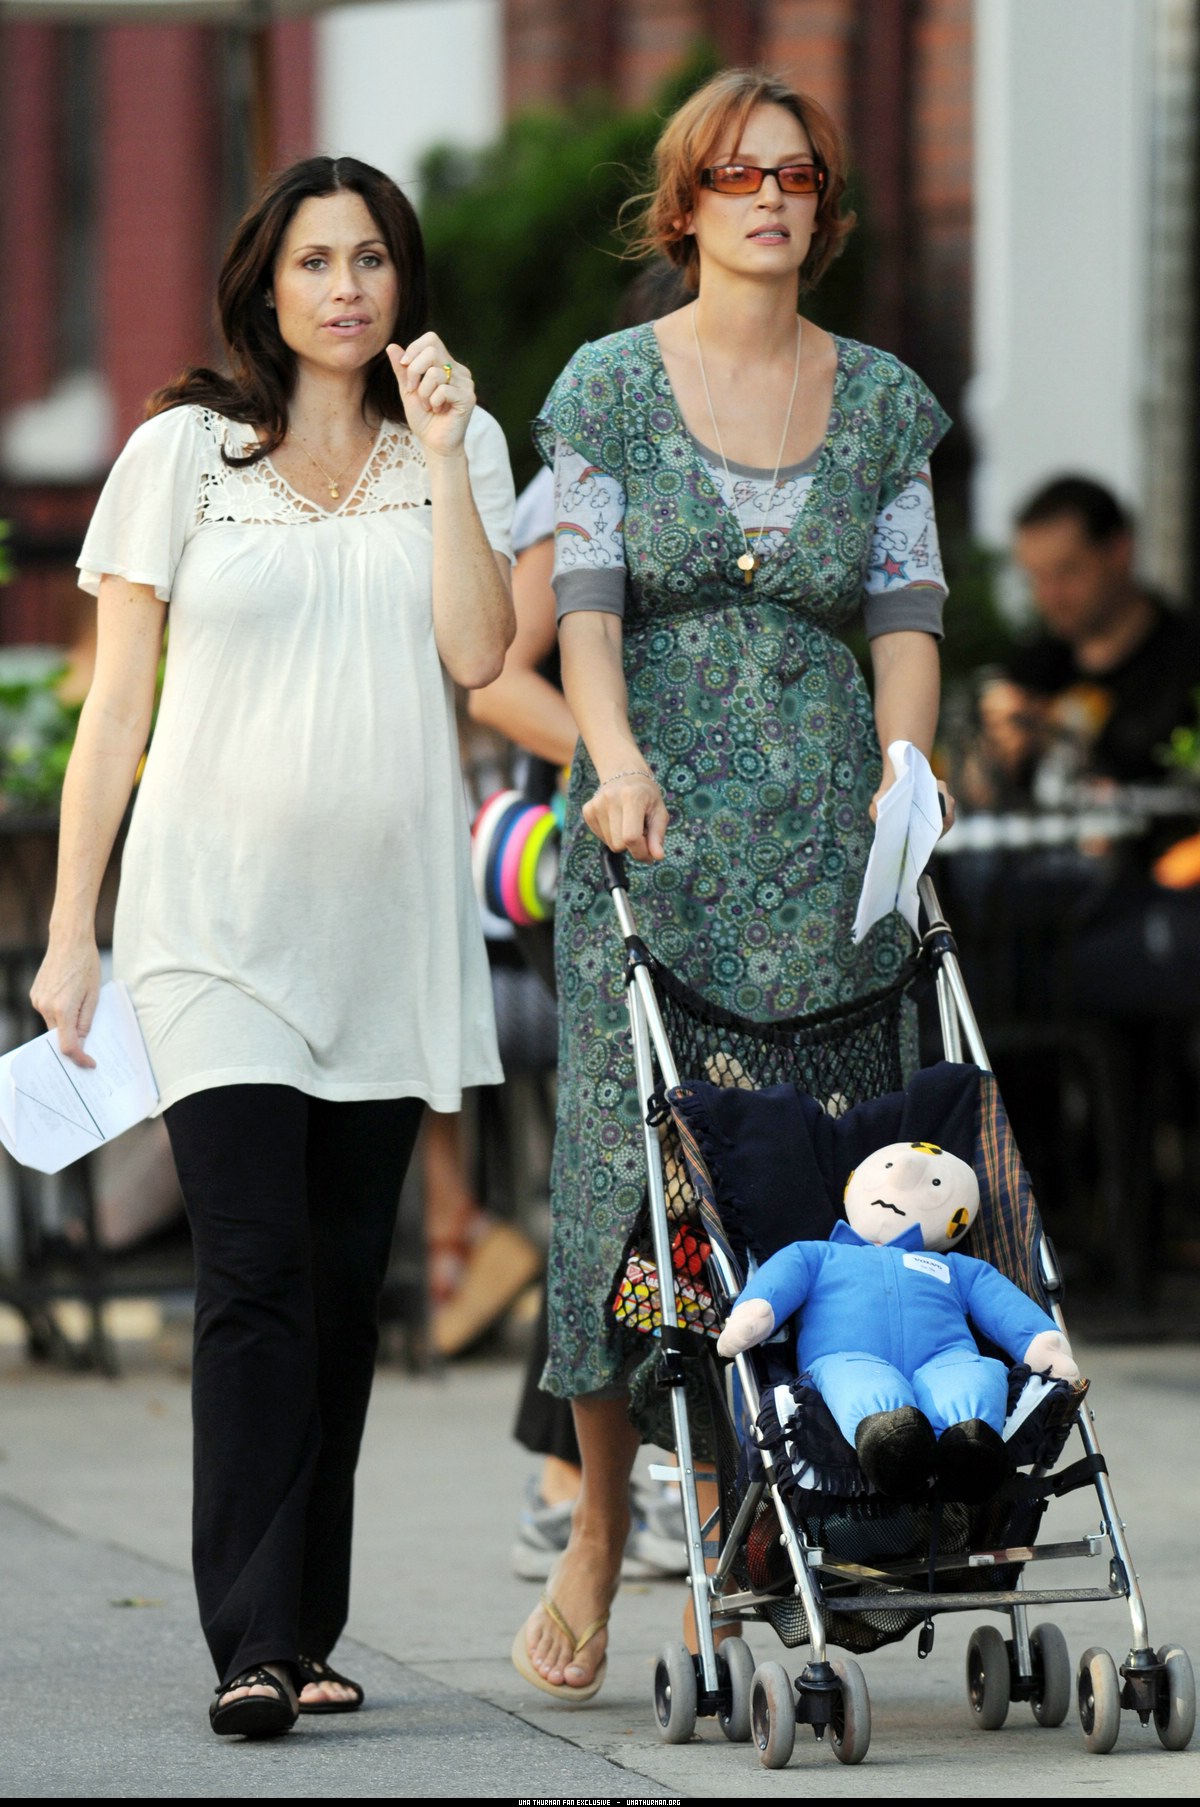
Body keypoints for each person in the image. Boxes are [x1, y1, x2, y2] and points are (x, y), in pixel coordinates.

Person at [31, 155, 515, 1737]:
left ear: (402, 282)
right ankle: (249, 1640)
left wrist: (442, 456)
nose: (346, 288)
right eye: (315, 260)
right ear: (265, 281)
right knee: (251, 1273)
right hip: (210, 925)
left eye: (371, 259)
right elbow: (116, 708)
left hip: (384, 931)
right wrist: (73, 928)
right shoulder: (180, 454)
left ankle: (306, 1624)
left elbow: (478, 651)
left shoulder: (458, 441)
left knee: (341, 1282)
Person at [513, 68, 954, 1700]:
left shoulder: (886, 400)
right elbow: (587, 610)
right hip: (658, 847)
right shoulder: (609, 386)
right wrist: (615, 759)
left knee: (812, 1181)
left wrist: (906, 765)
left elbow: (906, 617)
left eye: (799, 176)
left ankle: (763, 1507)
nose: (772, 198)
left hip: (832, 852)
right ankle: (597, 1524)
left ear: (823, 211)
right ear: (685, 203)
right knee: (626, 1188)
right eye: (739, 173)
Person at [974, 476, 1200, 802]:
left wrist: (1054, 736)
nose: (1050, 596)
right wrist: (995, 751)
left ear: (1119, 551)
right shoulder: (1035, 664)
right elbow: (976, 791)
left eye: (1067, 571)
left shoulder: (1185, 660)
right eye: (1036, 578)